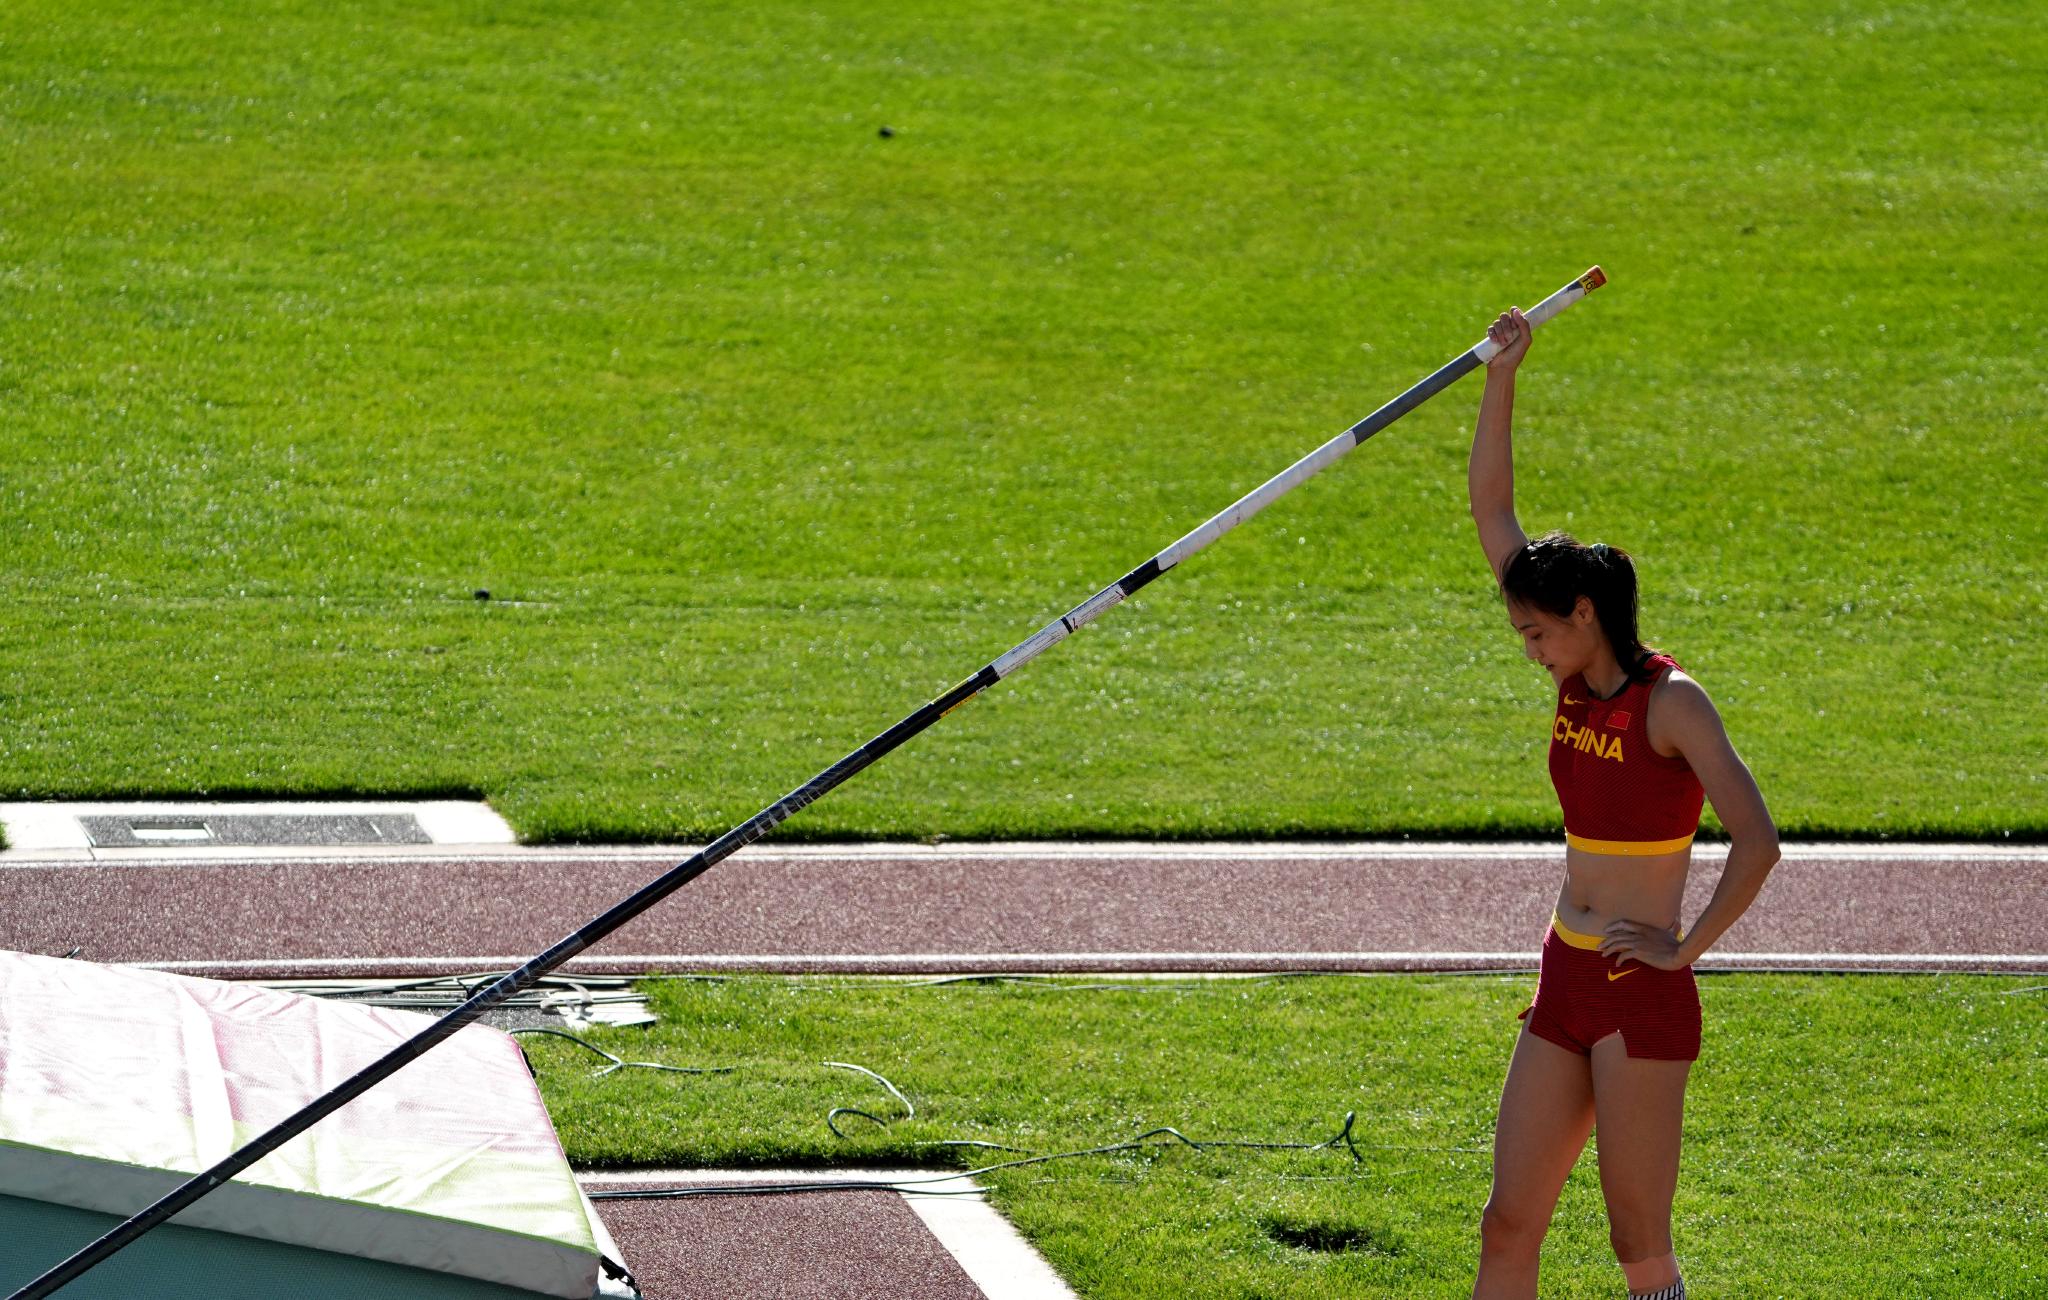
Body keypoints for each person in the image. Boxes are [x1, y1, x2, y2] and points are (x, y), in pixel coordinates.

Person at [1465, 306, 1782, 1300]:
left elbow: (1758, 841)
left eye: (1534, 633)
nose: (1527, 648)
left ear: (1584, 615)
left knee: (1636, 1244)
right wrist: (1500, 375)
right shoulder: (1573, 682)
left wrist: (1683, 950)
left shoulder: (1669, 702)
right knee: (1506, 1222)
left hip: (1637, 988)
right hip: (1563, 968)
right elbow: (1492, 518)